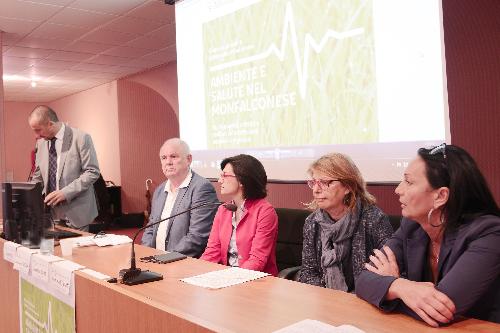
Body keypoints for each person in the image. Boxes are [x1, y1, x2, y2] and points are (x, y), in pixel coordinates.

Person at [356, 144, 500, 326]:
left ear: (440, 196)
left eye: (409, 182)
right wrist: (400, 286)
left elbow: (441, 310)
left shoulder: (489, 233)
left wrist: (388, 286)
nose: (398, 190)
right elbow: (363, 279)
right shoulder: (413, 226)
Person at [298, 153, 393, 291]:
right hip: (325, 301)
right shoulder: (312, 222)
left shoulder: (374, 220)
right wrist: (328, 299)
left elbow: (387, 275)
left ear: (348, 186)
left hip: (364, 302)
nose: (316, 190)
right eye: (313, 182)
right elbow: (308, 272)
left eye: (324, 182)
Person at [200, 154, 278, 275]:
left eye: (225, 175)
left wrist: (229, 278)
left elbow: (257, 261)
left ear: (242, 180)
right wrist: (196, 273)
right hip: (227, 278)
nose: (220, 180)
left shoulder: (265, 212)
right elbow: (212, 252)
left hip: (256, 281)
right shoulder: (223, 210)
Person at [141, 138, 218, 258]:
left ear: (189, 159)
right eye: (164, 158)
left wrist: (165, 258)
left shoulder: (201, 188)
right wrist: (147, 254)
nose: (168, 162)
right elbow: (150, 228)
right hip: (155, 261)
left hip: (184, 264)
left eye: (173, 156)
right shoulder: (159, 191)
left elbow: (197, 237)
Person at [29, 105, 100, 231]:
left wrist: (65, 193)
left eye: (38, 130)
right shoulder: (41, 143)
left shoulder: (81, 138)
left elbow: (92, 172)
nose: (36, 135)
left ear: (50, 124)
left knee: (77, 251)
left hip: (77, 212)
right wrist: (27, 195)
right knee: (54, 251)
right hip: (51, 214)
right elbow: (38, 176)